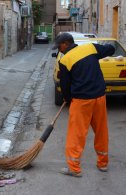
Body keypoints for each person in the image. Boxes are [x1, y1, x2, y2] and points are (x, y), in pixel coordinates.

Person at [52, 32, 115, 177]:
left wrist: (67, 99)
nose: (58, 50)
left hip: (81, 101)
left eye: (59, 46)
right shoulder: (90, 48)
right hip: (99, 97)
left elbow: (65, 86)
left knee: (77, 134)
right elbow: (110, 49)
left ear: (66, 43)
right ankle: (103, 163)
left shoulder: (65, 60)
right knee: (101, 130)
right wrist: (106, 49)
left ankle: (74, 168)